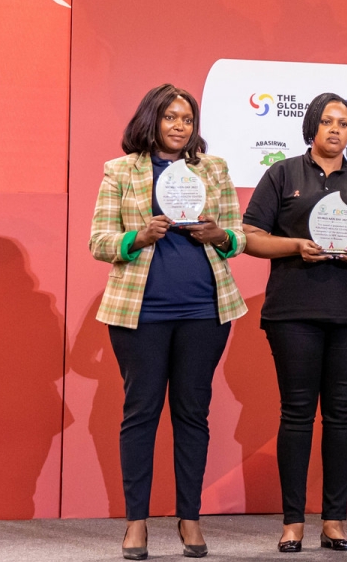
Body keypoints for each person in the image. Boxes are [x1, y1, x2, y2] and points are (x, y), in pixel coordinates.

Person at [88, 83, 247, 560]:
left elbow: (237, 236)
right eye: (171, 118)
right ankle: (136, 523)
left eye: (187, 119)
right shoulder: (120, 171)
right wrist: (138, 236)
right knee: (140, 415)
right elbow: (99, 240)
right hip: (140, 314)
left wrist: (219, 235)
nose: (180, 127)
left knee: (192, 415)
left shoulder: (212, 169)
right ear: (152, 119)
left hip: (205, 311)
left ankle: (189, 518)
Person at [242, 92, 347, 553]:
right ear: (312, 126)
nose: (335, 129)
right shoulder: (282, 174)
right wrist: (296, 246)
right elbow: (249, 237)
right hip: (294, 314)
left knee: (342, 416)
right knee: (296, 414)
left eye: (344, 123)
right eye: (327, 121)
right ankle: (292, 522)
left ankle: (334, 521)